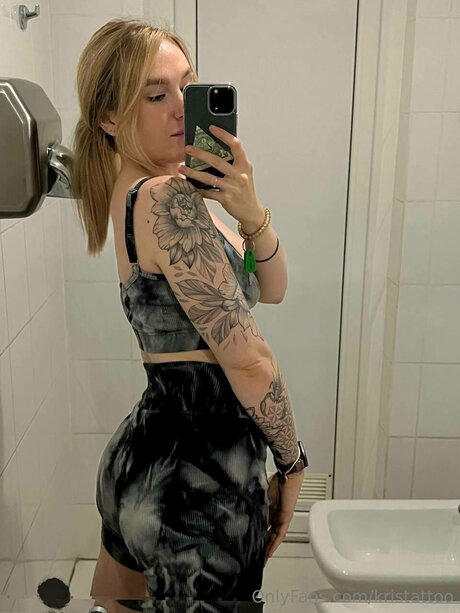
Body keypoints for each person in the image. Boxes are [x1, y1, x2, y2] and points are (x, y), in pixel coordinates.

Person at [72, 18, 306, 610]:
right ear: (109, 118)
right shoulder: (166, 199)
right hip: (200, 493)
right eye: (156, 96)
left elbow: (272, 287)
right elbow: (249, 362)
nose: (180, 108)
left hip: (141, 465)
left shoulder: (152, 189)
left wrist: (249, 210)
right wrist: (292, 461)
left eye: (187, 86)